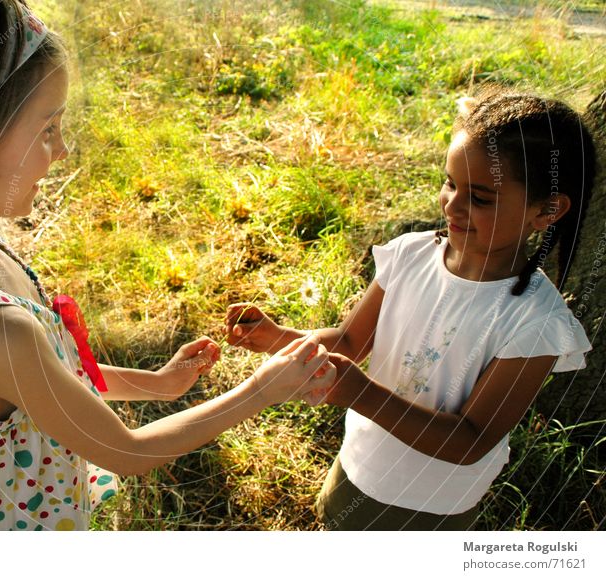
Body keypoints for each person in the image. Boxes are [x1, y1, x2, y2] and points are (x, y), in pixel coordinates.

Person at [0, 0, 336, 531]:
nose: (64, 150)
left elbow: (49, 381)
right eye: (47, 129)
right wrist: (261, 390)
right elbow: (127, 451)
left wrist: (157, 384)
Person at [225, 89, 596, 530]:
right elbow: (347, 341)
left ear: (546, 210)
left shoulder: (536, 324)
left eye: (480, 198)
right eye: (450, 183)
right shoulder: (409, 255)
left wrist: (361, 394)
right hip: (360, 460)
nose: (452, 205)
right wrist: (277, 337)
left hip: (430, 505)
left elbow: (470, 439)